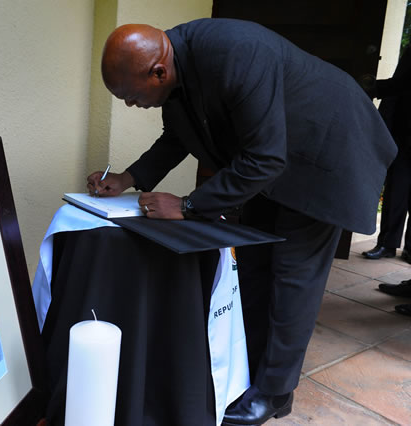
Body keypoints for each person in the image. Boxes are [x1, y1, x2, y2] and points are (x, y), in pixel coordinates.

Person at [88, 19, 396, 425]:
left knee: (292, 275)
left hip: (328, 152)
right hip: (274, 160)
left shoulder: (237, 53)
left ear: (157, 72)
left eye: (129, 96)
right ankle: (250, 370)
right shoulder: (173, 65)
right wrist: (127, 179)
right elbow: (178, 138)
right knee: (253, 265)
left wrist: (187, 204)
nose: (130, 105)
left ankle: (274, 392)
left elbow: (266, 157)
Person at [362, 47, 411, 263]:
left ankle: (409, 248)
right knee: (396, 191)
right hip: (404, 132)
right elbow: (401, 83)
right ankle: (387, 243)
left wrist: (374, 87)